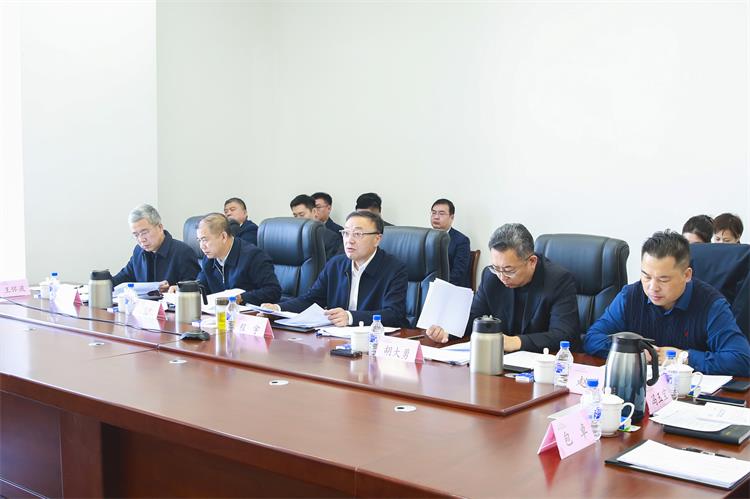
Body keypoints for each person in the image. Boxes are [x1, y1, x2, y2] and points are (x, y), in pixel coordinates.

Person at [584, 230, 750, 376]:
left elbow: (742, 359)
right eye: (646, 276)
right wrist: (630, 351)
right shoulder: (630, 296)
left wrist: (684, 358)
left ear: (687, 275)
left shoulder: (711, 305)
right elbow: (593, 338)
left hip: (689, 394)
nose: (653, 287)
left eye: (663, 280)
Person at [425, 223, 579, 353]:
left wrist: (517, 342)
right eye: (496, 268)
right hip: (501, 361)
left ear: (532, 261)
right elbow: (474, 318)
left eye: (509, 270)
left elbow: (564, 335)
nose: (502, 276)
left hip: (544, 365)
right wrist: (448, 331)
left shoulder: (558, 280)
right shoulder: (491, 276)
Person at [262, 211, 409, 328]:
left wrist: (350, 317)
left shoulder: (395, 269)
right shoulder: (336, 264)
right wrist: (277, 309)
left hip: (376, 340)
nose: (350, 240)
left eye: (358, 234)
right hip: (337, 337)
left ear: (377, 239)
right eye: (346, 233)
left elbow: (394, 314)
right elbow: (311, 300)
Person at [170, 213, 281, 305]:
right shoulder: (209, 258)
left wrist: (241, 298)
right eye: (199, 240)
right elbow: (201, 285)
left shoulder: (253, 256)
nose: (202, 246)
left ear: (223, 236)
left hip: (248, 316)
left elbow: (273, 291)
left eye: (205, 240)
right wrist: (184, 289)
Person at [112, 204, 199, 292]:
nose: (141, 239)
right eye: (136, 235)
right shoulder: (139, 251)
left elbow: (195, 289)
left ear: (160, 227)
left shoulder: (183, 253)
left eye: (144, 232)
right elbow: (122, 278)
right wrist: (104, 282)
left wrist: (175, 289)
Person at [430, 198, 471, 288]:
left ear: (451, 217)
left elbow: (458, 273)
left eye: (441, 213)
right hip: (428, 286)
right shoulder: (425, 238)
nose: (436, 217)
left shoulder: (462, 241)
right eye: (433, 213)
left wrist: (439, 288)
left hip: (450, 287)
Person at [290, 194, 344, 260]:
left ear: (314, 211)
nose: (298, 219)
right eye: (295, 216)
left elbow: (331, 264)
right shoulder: (291, 237)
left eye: (302, 215)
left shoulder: (331, 238)